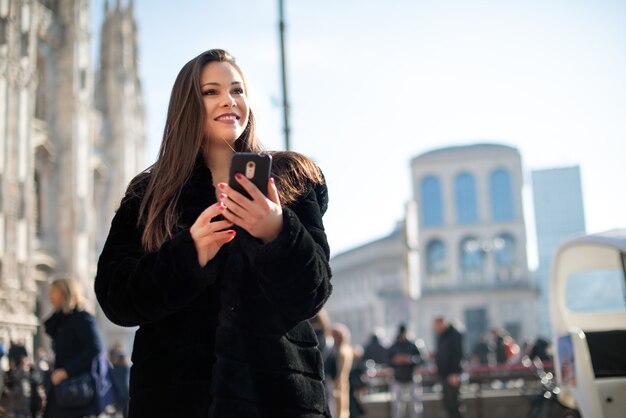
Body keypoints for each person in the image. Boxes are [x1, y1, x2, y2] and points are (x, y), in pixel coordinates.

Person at [94, 48, 332, 418]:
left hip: (278, 398)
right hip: (176, 400)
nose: (229, 101)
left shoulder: (294, 179)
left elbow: (312, 295)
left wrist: (277, 232)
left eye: (237, 90)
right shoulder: (150, 193)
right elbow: (116, 298)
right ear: (188, 104)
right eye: (211, 91)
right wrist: (189, 255)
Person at [43, 277, 103, 418]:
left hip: (76, 389)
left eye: (54, 292)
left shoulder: (82, 317)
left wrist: (67, 371)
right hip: (61, 389)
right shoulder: (61, 319)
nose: (50, 296)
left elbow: (95, 348)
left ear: (65, 293)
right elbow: (49, 327)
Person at [388, 324, 424, 418]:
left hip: (412, 378)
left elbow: (421, 360)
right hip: (397, 378)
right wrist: (395, 360)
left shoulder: (413, 345)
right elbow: (387, 360)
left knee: (415, 405)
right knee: (397, 406)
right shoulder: (394, 346)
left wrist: (410, 359)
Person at [433, 317, 464, 418]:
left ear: (443, 323)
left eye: (437, 326)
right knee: (447, 404)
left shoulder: (454, 335)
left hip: (452, 375)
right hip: (444, 374)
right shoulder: (442, 336)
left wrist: (455, 372)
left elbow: (457, 354)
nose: (435, 328)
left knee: (454, 404)